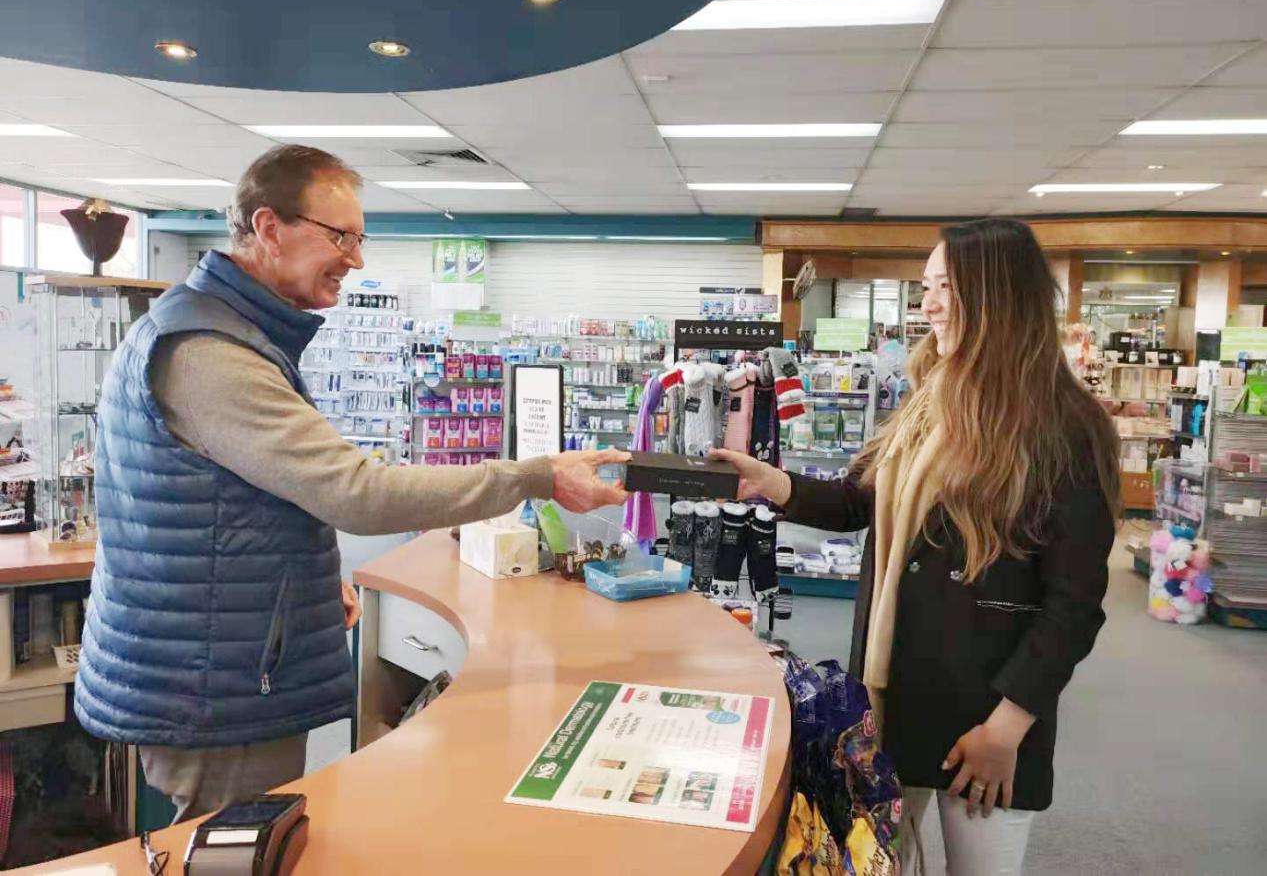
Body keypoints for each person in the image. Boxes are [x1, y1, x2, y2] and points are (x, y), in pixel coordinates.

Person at [73, 144, 628, 822]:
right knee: (234, 849)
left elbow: (227, 501)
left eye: (360, 239)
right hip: (216, 684)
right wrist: (534, 476)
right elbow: (357, 494)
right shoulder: (210, 353)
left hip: (220, 658)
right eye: (340, 236)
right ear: (270, 228)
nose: (355, 259)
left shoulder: (226, 332)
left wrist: (300, 579)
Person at [713, 218, 1118, 874]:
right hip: (893, 692)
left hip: (983, 711)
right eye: (925, 286)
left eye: (945, 287)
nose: (925, 303)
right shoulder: (929, 397)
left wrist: (1006, 728)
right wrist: (774, 483)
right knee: (880, 862)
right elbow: (859, 501)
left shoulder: (1064, 426)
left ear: (996, 296)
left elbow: (1073, 603)